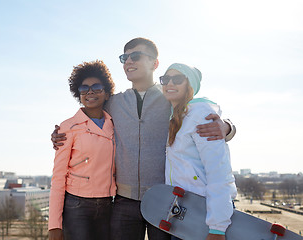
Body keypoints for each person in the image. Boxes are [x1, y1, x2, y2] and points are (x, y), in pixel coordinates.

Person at [51, 38, 236, 240]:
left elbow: (200, 112)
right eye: (124, 57)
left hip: (162, 199)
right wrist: (59, 133)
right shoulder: (114, 103)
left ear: (155, 63)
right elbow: (88, 113)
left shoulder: (170, 98)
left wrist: (227, 127)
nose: (128, 61)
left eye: (136, 56)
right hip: (124, 202)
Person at [161, 63, 237, 240]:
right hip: (184, 213)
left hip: (204, 215)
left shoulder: (201, 115)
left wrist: (217, 228)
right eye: (165, 79)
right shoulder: (177, 116)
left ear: (190, 85)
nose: (170, 83)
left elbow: (218, 172)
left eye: (177, 79)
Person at [48, 60, 116, 240]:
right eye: (84, 88)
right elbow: (58, 177)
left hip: (109, 205)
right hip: (77, 207)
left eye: (97, 87)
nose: (90, 92)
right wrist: (54, 224)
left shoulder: (115, 124)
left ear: (107, 92)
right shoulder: (68, 127)